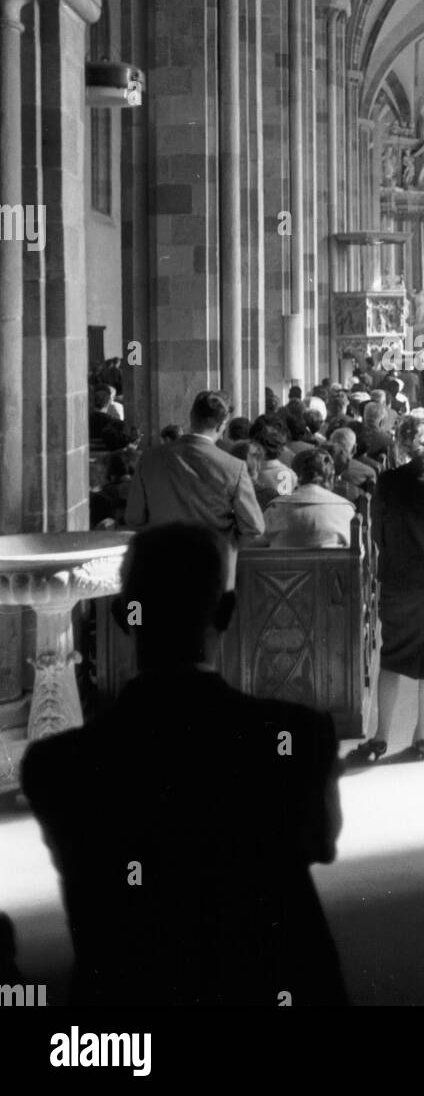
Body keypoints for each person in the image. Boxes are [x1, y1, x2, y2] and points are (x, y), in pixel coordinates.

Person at [21, 524, 348, 1007]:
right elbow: (320, 844)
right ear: (227, 612)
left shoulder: (57, 765)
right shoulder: (299, 735)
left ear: (121, 616)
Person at [351, 411, 424, 762]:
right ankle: (422, 735)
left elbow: (377, 533)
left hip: (398, 585)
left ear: (402, 444)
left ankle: (381, 736)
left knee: (393, 653)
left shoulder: (387, 483)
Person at [125, 390, 265, 588]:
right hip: (214, 571)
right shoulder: (234, 467)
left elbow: (134, 518)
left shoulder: (149, 459)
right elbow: (254, 527)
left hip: (162, 569)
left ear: (191, 417)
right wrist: (227, 545)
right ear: (222, 424)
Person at [265, 448, 355, 547]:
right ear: (331, 476)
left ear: (297, 475)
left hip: (284, 562)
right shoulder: (346, 509)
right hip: (331, 562)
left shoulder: (275, 508)